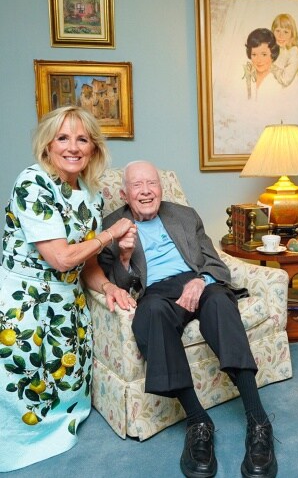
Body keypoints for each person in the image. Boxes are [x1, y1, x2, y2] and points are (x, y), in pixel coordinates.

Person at [98, 161, 277, 478]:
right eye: (137, 185)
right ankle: (198, 421)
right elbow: (121, 287)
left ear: (161, 188)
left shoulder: (184, 215)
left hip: (198, 282)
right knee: (151, 313)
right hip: (155, 292)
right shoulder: (111, 227)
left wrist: (201, 281)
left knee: (221, 302)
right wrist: (124, 257)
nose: (146, 191)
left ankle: (258, 419)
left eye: (152, 183)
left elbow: (215, 263)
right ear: (124, 194)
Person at [0, 106, 135, 472]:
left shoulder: (92, 195)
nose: (72, 147)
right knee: (23, 387)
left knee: (65, 387)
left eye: (82, 139)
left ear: (93, 148)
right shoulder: (32, 183)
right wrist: (111, 234)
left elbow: (87, 264)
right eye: (62, 138)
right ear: (48, 145)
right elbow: (61, 258)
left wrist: (108, 287)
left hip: (68, 304)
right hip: (26, 303)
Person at [243, 28, 281, 101]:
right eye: (254, 54)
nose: (259, 60)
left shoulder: (278, 81)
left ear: (273, 54)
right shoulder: (247, 78)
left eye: (264, 54)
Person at [271, 13, 298, 88]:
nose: (281, 35)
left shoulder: (294, 52)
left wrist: (270, 67)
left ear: (292, 35)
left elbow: (285, 80)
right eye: (278, 31)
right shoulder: (274, 49)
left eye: (285, 32)